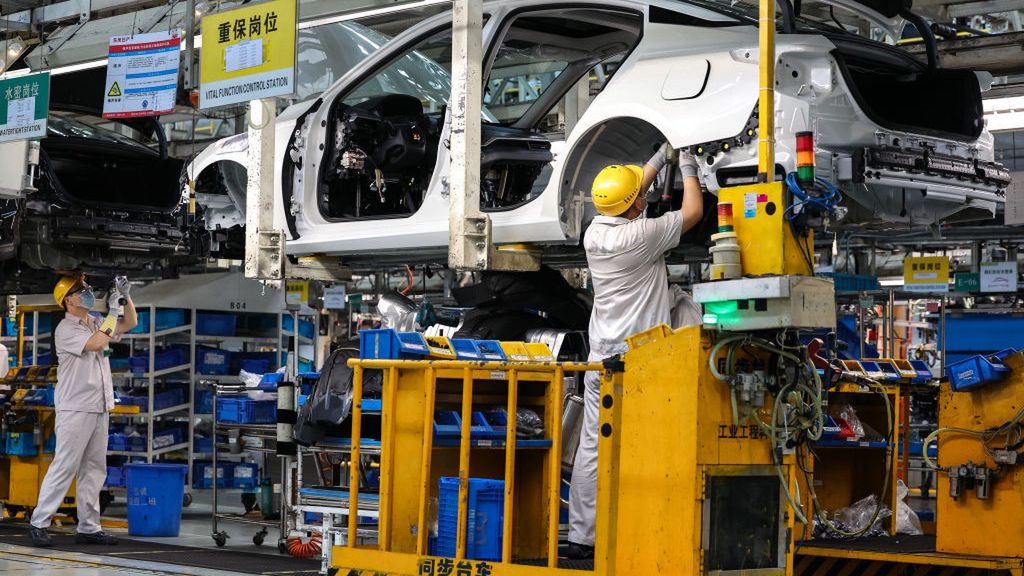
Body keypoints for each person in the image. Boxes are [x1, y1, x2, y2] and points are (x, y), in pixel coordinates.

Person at [567, 143, 704, 559]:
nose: (645, 199)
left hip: (600, 359)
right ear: (632, 208)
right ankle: (650, 525)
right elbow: (694, 212)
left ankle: (581, 538)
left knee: (593, 445)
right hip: (640, 361)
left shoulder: (596, 231)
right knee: (655, 441)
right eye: (639, 198)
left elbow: (629, 192)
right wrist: (688, 165)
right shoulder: (640, 236)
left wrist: (660, 157)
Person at [29, 275, 136, 547]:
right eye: (82, 290)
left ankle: (89, 526)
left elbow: (130, 322)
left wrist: (125, 297)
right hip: (76, 407)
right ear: (69, 300)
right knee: (65, 465)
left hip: (100, 405)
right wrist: (113, 310)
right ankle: (39, 522)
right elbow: (98, 344)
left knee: (94, 469)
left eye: (87, 288)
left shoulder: (96, 322)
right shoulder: (66, 330)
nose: (88, 292)